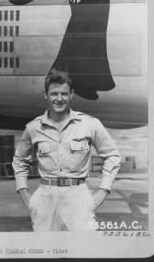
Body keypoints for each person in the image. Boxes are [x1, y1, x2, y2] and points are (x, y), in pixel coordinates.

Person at [12, 69, 121, 231]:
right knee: (46, 251)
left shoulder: (89, 124)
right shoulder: (33, 128)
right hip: (45, 197)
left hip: (78, 196)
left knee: (83, 251)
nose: (59, 99)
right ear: (45, 95)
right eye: (54, 94)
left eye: (64, 94)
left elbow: (112, 155)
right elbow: (20, 160)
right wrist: (23, 191)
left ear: (71, 95)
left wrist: (103, 190)